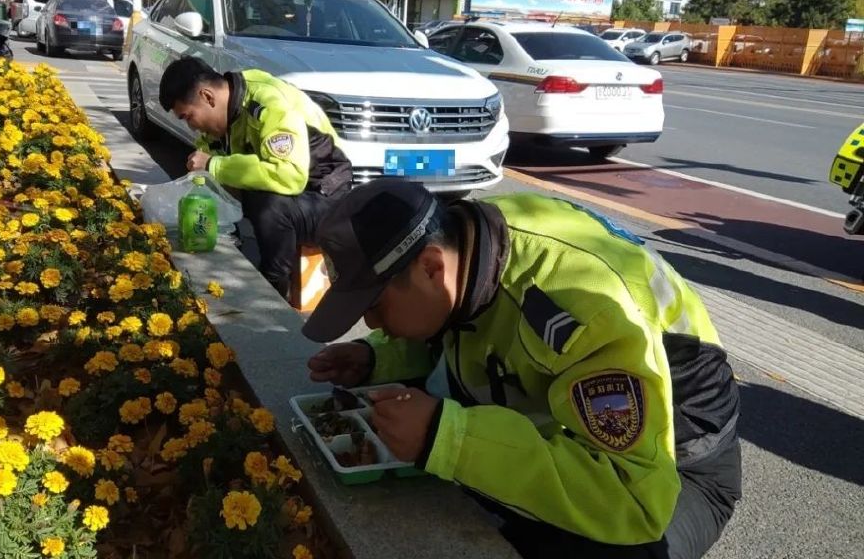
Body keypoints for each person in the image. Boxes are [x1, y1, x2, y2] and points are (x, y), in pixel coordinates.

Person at [302, 179, 742, 559]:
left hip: (679, 465)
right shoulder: (467, 245)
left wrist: (450, 438)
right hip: (571, 424)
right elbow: (452, 325)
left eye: (374, 307)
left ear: (432, 267)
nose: (372, 325)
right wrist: (379, 357)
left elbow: (635, 498)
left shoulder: (579, 307)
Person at [158, 56, 352, 297]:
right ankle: (239, 259)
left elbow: (289, 176)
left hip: (326, 196)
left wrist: (214, 164)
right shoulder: (226, 115)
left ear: (208, 97)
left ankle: (274, 290)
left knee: (268, 204)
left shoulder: (268, 104)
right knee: (212, 188)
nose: (192, 127)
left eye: (188, 117)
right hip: (296, 194)